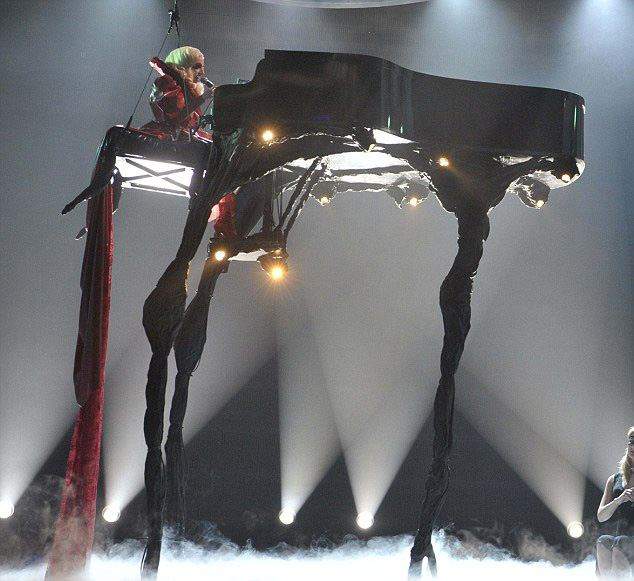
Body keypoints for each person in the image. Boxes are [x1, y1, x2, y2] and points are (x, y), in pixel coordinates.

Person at [596, 426, 634, 578]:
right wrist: (618, 500)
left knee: (619, 543)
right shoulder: (614, 479)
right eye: (631, 442)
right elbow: (601, 516)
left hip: (625, 542)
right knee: (603, 541)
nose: (633, 447)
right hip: (620, 539)